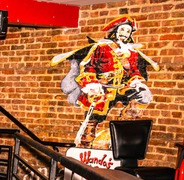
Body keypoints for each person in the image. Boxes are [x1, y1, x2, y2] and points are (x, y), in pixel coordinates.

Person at [53, 15, 158, 147]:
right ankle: (86, 140)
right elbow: (89, 66)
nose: (124, 34)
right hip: (102, 86)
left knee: (143, 95)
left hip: (121, 86)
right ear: (116, 31)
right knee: (96, 108)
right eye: (122, 30)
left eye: (127, 31)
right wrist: (92, 84)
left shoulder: (132, 53)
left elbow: (134, 71)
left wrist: (135, 81)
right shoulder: (102, 47)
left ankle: (121, 125)